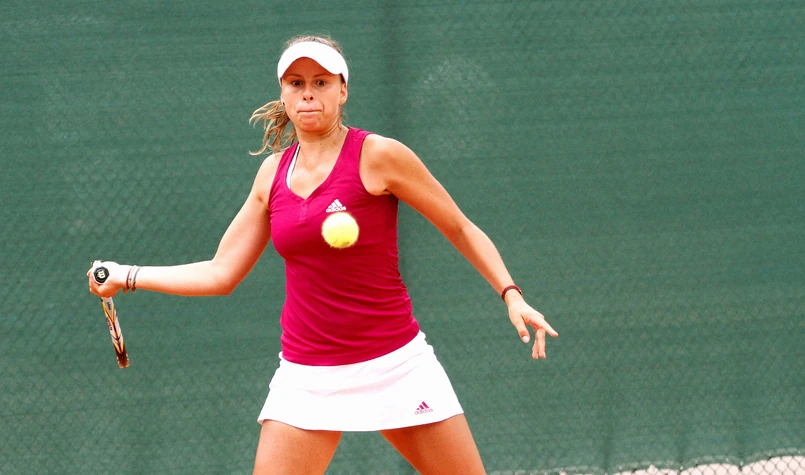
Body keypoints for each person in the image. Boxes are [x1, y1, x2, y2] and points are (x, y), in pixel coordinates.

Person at [87, 34, 558, 475]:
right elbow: (221, 272)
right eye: (297, 83)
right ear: (283, 94)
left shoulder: (379, 156)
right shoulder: (271, 175)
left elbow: (459, 226)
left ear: (342, 91)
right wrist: (128, 274)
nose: (308, 94)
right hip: (307, 377)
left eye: (321, 82)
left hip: (395, 365)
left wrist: (511, 293)